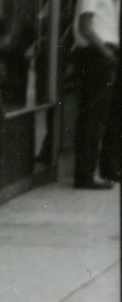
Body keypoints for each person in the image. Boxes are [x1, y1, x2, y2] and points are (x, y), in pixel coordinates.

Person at [71, 0, 119, 188]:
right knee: (93, 116)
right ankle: (86, 174)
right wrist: (106, 52)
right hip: (96, 53)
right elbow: (85, 26)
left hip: (99, 53)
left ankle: (90, 172)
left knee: (97, 116)